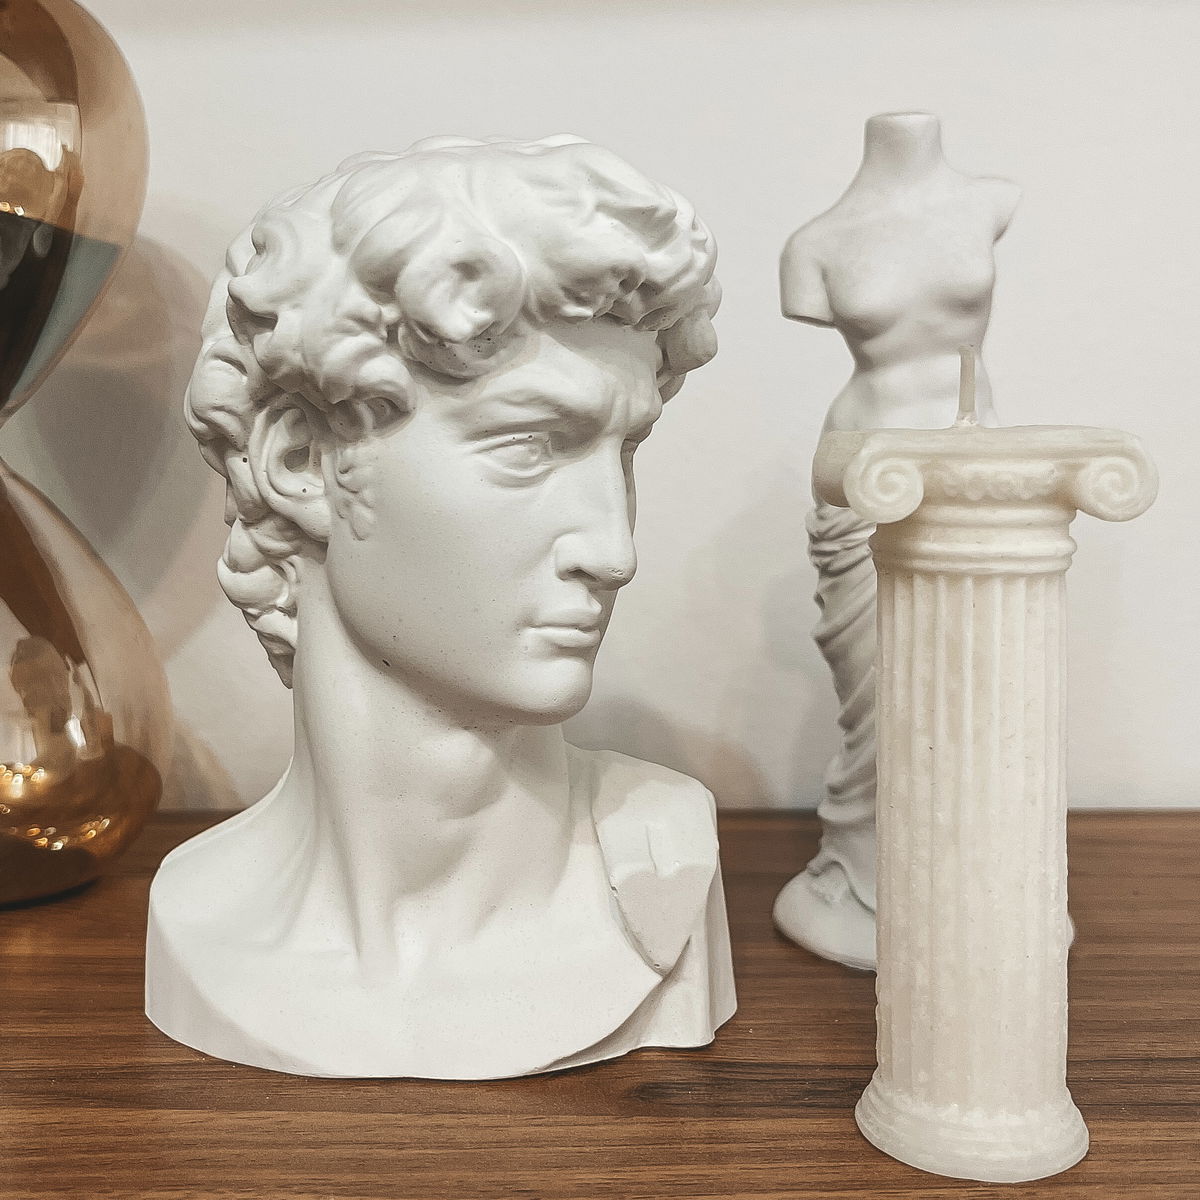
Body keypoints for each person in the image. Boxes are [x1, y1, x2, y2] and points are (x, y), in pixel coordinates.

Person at [146, 135, 735, 1079]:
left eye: (625, 452)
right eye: (530, 448)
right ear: (302, 461)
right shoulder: (198, 915)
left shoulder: (663, 873)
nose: (614, 552)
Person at [774, 113, 1018, 970]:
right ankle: (866, 876)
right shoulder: (815, 245)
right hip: (863, 475)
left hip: (972, 471)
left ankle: (976, 874)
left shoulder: (992, 200)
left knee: (979, 685)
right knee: (880, 699)